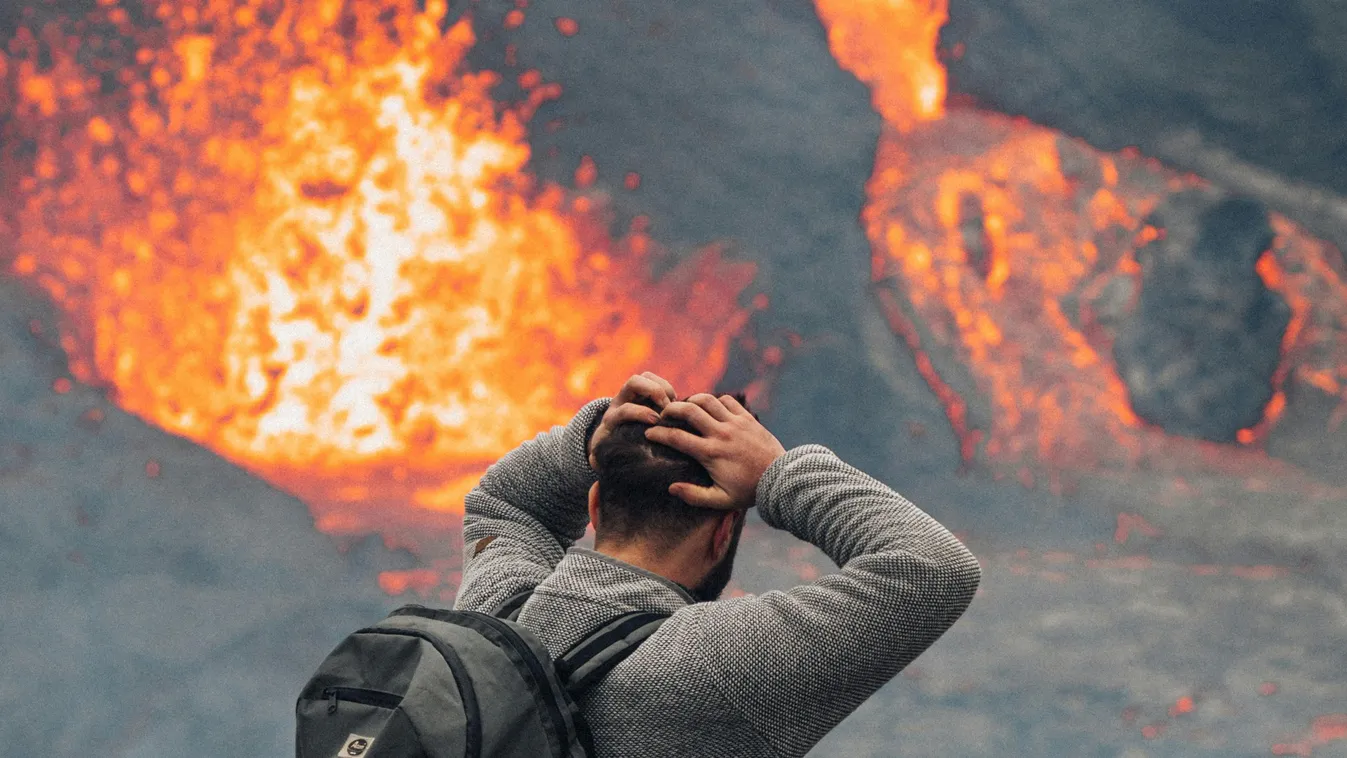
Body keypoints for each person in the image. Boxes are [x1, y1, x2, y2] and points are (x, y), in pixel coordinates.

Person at [454, 371, 982, 757]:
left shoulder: (496, 614)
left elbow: (508, 503)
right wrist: (775, 472)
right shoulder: (718, 663)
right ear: (725, 530)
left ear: (595, 507)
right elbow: (933, 568)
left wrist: (587, 444)